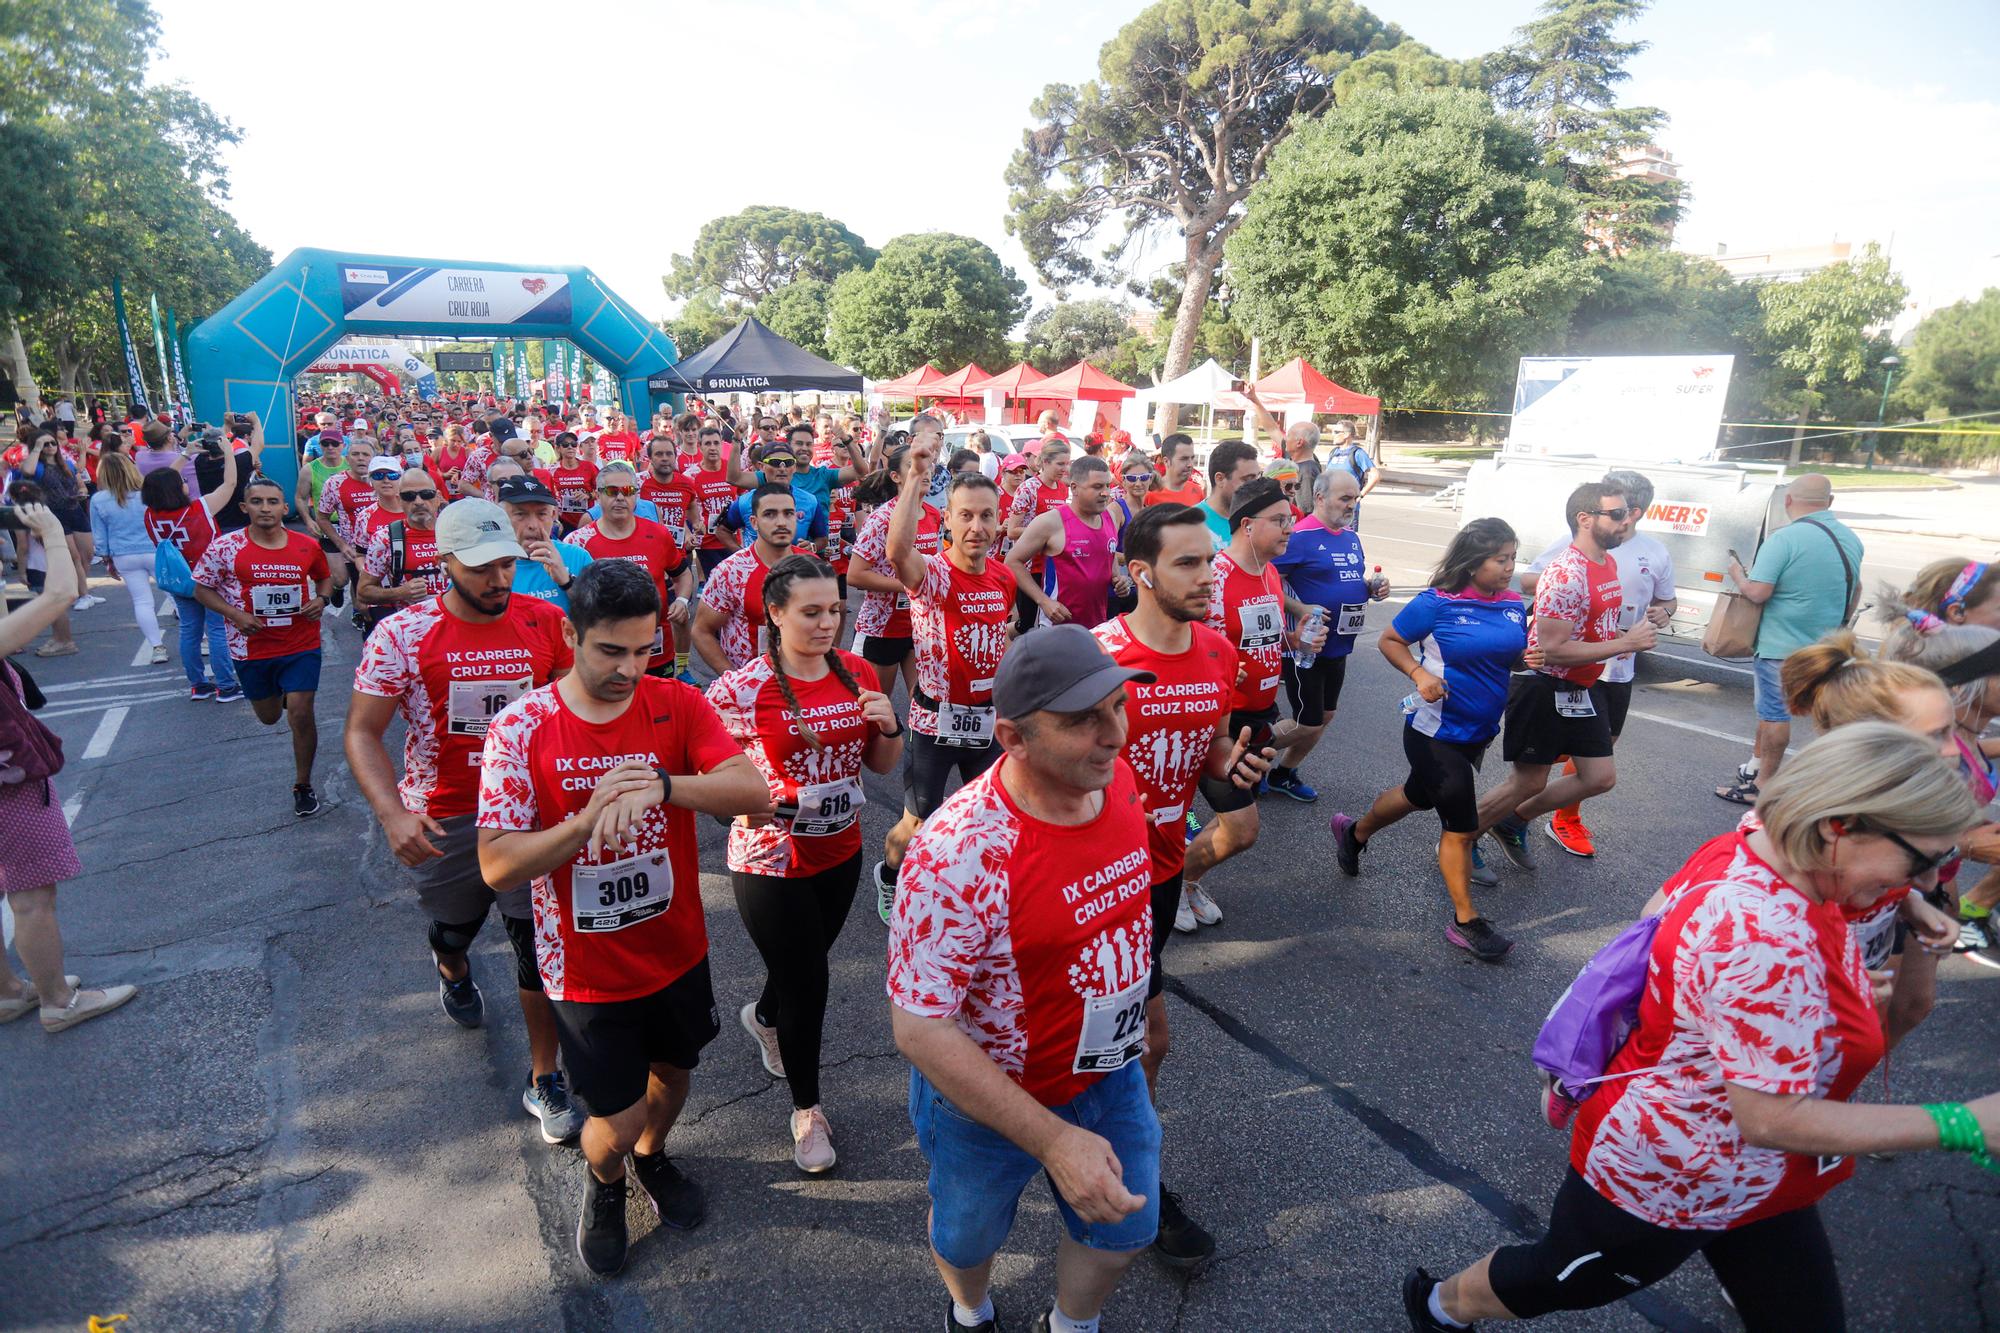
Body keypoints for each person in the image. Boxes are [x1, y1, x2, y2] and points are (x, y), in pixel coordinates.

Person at [1404, 723, 1998, 1333]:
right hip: (1672, 1170)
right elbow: (1771, 1117)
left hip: (1760, 1173)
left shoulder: (1770, 847)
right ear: (1838, 826)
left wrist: (1912, 905)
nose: (1926, 877)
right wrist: (1964, 1125)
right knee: (1563, 1277)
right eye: (1921, 859)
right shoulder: (1765, 939)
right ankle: (1438, 1305)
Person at [476, 559, 768, 1277]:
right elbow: (497, 864)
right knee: (614, 1117)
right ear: (570, 633)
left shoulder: (676, 703)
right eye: (611, 651)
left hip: (677, 950)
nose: (631, 668)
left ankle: (654, 1158)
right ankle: (605, 1183)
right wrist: (584, 823)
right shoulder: (522, 726)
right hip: (585, 969)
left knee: (674, 1073)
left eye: (644, 650)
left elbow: (752, 789)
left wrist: (666, 784)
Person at [889, 624, 1160, 1333]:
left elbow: (1130, 910)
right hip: (991, 1099)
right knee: (967, 1237)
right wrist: (1050, 1139)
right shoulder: (957, 851)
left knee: (1127, 1229)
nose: (1114, 735)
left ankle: (1070, 1325)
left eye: (1118, 707)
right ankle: (971, 1311)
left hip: (1110, 1075)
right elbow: (918, 1025)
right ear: (1011, 737)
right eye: (1081, 721)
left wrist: (1150, 1001)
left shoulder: (1116, 780)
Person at [347, 497, 582, 1141]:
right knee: (455, 928)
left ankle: (544, 1076)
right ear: (443, 560)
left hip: (527, 814)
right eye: (480, 568)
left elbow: (571, 712)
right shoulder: (403, 634)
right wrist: (394, 814)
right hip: (446, 813)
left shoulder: (546, 620)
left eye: (505, 563)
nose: (498, 580)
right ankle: (449, 965)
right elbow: (363, 733)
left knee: (535, 947)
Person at [1092, 503, 1271, 1270]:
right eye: (1190, 564)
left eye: (1210, 561)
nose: (1209, 576)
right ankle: (1136, 1183)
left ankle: (1105, 1157)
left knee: (1126, 1038)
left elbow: (1208, 753)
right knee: (1141, 1037)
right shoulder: (1094, 655)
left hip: (1162, 874)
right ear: (1142, 574)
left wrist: (1231, 770)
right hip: (1095, 884)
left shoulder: (1218, 651)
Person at [706, 553, 904, 1173]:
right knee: (809, 984)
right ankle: (807, 1111)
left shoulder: (857, 669)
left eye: (836, 611)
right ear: (774, 612)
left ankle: (764, 1017)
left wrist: (889, 725)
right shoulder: (739, 690)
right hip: (769, 857)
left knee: (805, 963)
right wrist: (747, 802)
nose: (827, 624)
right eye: (812, 612)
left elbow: (881, 767)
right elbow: (706, 781)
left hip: (841, 846)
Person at [1331, 519, 1528, 960]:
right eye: (1501, 559)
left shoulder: (1514, 604)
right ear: (1473, 562)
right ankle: (1466, 921)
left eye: (1513, 558)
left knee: (1416, 795)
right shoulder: (1436, 603)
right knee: (1459, 825)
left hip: (1477, 731)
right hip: (1434, 732)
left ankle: (1354, 833)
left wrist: (1524, 656)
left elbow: (1507, 656)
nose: (1509, 568)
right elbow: (1390, 640)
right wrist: (1419, 674)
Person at [0, 502, 138, 1032]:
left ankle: (9, 991)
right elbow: (61, 594)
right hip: (9, 785)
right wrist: (53, 533)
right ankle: (59, 1001)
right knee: (32, 896)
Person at [874, 422, 1018, 926]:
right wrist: (916, 476)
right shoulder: (933, 573)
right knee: (917, 820)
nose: (976, 527)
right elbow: (896, 554)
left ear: (1000, 522)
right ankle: (891, 878)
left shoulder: (1003, 577)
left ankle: (970, 893)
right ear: (949, 523)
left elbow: (1000, 639)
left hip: (986, 723)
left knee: (993, 816)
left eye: (986, 516)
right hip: (934, 724)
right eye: (966, 517)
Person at [1477, 481, 1655, 876]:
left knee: (1599, 776)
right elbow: (1553, 648)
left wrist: (1630, 633)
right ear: (1585, 519)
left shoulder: (1606, 562)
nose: (1627, 520)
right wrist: (1623, 643)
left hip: (1581, 686)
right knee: (1528, 781)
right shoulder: (1566, 573)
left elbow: (1592, 628)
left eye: (1627, 511)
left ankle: (1510, 821)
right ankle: (1462, 837)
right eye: (1617, 513)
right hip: (1542, 686)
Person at [1180, 478, 1323, 933]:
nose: (1290, 528)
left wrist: (1296, 641)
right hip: (1221, 722)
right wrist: (1214, 673)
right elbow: (1186, 641)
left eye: (1291, 518)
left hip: (1259, 714)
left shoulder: (1269, 571)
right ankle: (1170, 884)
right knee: (1241, 827)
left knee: (1235, 826)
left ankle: (1182, 881)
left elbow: (1263, 634)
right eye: (1280, 520)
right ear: (1247, 524)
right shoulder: (1215, 576)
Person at [1519, 469, 1677, 857]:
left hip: (1619, 668)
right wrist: (1572, 597)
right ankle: (1493, 824)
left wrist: (1663, 614)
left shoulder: (1653, 551)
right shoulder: (1579, 545)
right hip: (1572, 668)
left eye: (1620, 507)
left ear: (1634, 512)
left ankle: (1555, 818)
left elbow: (1666, 600)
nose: (1616, 514)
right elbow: (1530, 579)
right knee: (1542, 766)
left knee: (1598, 755)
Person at [1714, 474, 1862, 804]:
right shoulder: (1850, 539)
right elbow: (1857, 589)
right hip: (1829, 648)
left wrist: (1737, 573)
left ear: (1788, 501)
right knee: (1815, 715)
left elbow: (1758, 592)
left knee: (1774, 714)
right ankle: (1758, 768)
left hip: (1781, 646)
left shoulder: (1784, 539)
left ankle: (1764, 784)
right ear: (1830, 502)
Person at [191, 476, 335, 817]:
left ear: (285, 508)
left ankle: (303, 784)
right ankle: (281, 695)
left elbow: (323, 576)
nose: (266, 508)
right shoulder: (226, 548)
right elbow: (201, 588)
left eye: (273, 502)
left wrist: (322, 598)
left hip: (301, 642)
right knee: (270, 717)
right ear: (245, 508)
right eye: (257, 502)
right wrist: (234, 614)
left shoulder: (305, 545)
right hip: (251, 648)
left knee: (300, 713)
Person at [1266, 468, 1390, 802]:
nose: (1352, 505)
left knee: (1325, 717)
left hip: (1339, 645)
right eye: (1345, 498)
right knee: (1307, 721)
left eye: (1355, 498)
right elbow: (1267, 579)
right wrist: (1299, 609)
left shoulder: (1349, 535)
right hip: (1305, 647)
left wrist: (1370, 588)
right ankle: (1242, 756)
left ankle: (1283, 773)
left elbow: (1348, 580)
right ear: (1320, 498)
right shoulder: (1301, 535)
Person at [566, 461, 693, 678]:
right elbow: (570, 597)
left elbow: (682, 573)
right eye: (611, 491)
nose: (620, 498)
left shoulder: (658, 534)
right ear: (597, 496)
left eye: (627, 491)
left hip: (657, 652)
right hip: (606, 656)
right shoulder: (578, 542)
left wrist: (681, 600)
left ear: (636, 495)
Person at [142, 440, 242, 700]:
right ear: (177, 489)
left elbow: (161, 481)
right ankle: (226, 685)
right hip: (210, 579)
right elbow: (230, 484)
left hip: (180, 579)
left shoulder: (151, 515)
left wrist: (186, 455)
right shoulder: (199, 508)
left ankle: (198, 684)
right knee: (217, 629)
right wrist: (229, 452)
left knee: (189, 630)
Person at [849, 446, 942, 699]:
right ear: (896, 477)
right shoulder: (881, 519)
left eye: (929, 466)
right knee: (876, 707)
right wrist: (908, 586)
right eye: (915, 467)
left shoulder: (934, 515)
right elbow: (855, 575)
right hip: (882, 628)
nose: (926, 472)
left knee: (925, 701)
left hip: (920, 625)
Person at [1005, 456, 1123, 630]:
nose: (1105, 493)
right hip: (1058, 626)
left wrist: (1118, 581)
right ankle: (1008, 633)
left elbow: (1109, 555)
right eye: (1097, 487)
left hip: (1099, 625)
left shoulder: (1110, 517)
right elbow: (1012, 561)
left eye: (1107, 486)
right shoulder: (1051, 522)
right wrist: (1044, 601)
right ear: (1074, 488)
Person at [86, 452, 167, 664]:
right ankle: (202, 638)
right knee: (177, 595)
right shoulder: (148, 494)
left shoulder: (99, 499)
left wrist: (106, 559)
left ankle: (157, 646)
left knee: (142, 601)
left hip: (124, 554)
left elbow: (99, 535)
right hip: (154, 549)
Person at [357, 470, 447, 627]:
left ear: (438, 498)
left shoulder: (457, 532)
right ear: (399, 500)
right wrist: (401, 592)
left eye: (426, 494)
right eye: (409, 496)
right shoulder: (385, 538)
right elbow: (363, 592)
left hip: (454, 627)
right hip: (412, 631)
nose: (419, 501)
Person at [498, 474, 595, 612]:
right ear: (501, 517)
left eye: (541, 514)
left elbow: (603, 617)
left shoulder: (577, 557)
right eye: (521, 514)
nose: (533, 525)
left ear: (553, 515)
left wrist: (567, 582)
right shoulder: (486, 566)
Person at [716, 442, 830, 551]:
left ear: (794, 467)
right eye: (775, 462)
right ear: (762, 466)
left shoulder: (810, 501)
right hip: (757, 569)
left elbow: (822, 538)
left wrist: (813, 547)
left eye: (788, 462)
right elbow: (722, 530)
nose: (782, 468)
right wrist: (743, 555)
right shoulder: (745, 502)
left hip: (794, 569)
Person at [315, 434, 380, 621]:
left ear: (373, 458)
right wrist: (342, 545)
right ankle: (359, 615)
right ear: (347, 458)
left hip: (382, 546)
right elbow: (322, 517)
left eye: (366, 455)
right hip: (354, 548)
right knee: (356, 582)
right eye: (355, 454)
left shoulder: (384, 480)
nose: (361, 458)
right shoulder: (334, 483)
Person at [682, 424, 742, 578]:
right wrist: (692, 529)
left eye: (716, 443)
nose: (713, 447)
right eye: (707, 443)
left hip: (732, 538)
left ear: (722, 445)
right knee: (717, 584)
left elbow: (743, 497)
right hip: (707, 542)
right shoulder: (691, 475)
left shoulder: (732, 469)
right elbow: (684, 508)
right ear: (700, 447)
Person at [1195, 440, 1261, 551]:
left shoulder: (1259, 519)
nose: (1255, 487)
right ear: (1220, 479)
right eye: (1248, 480)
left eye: (1257, 478)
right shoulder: (1190, 524)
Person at [540, 432, 599, 532]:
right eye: (565, 445)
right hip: (564, 520)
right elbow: (547, 495)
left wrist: (589, 495)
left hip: (587, 518)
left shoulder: (589, 467)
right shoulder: (552, 470)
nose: (570, 447)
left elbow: (603, 490)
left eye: (573, 444)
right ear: (558, 448)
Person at [1144, 435, 1204, 509]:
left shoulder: (1197, 491)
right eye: (1184, 459)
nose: (1190, 464)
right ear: (1166, 461)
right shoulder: (1150, 495)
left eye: (1192, 458)